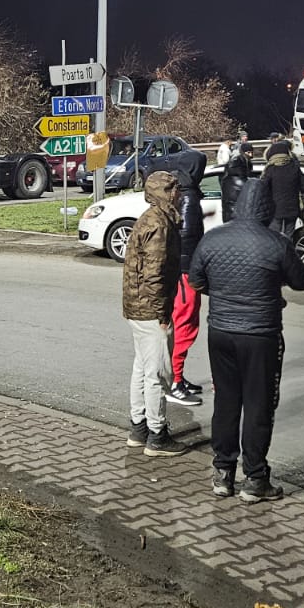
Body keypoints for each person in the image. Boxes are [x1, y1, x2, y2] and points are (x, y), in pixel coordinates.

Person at [189, 177, 304, 502]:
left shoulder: (212, 240)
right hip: (261, 334)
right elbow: (301, 281)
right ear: (267, 208)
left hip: (222, 333)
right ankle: (255, 478)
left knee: (226, 401)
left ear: (237, 205)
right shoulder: (277, 242)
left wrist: (226, 293)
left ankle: (223, 473)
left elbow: (197, 280)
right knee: (258, 405)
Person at [123, 169, 187, 457]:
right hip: (151, 309)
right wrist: (163, 314)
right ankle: (157, 436)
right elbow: (154, 273)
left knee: (141, 368)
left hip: (137, 307)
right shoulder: (159, 224)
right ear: (168, 193)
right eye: (177, 190)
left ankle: (138, 428)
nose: (182, 195)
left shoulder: (148, 219)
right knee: (157, 373)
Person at [159, 149, 207, 405]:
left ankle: (178, 376)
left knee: (183, 324)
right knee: (185, 324)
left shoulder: (181, 192)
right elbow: (186, 237)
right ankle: (175, 382)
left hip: (183, 271)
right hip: (186, 273)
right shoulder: (187, 197)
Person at [261, 140, 304, 240]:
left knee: (274, 236)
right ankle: (287, 253)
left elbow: (263, 187)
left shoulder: (270, 169)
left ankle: (277, 254)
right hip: (292, 208)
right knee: (289, 236)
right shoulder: (294, 167)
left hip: (275, 210)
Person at [220, 134, 253, 224]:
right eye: (248, 152)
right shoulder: (243, 182)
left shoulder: (227, 178)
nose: (251, 155)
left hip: (230, 220)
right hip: (239, 220)